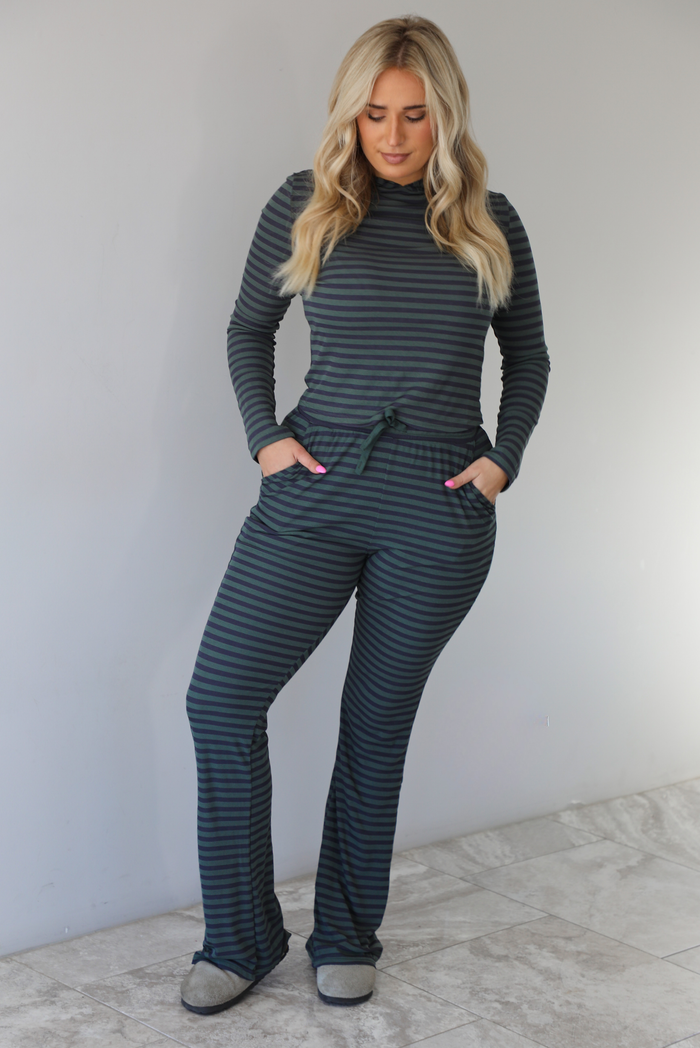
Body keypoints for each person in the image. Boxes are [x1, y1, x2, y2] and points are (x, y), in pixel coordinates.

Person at [181, 14, 549, 1014]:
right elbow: (248, 328)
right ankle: (242, 936)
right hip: (313, 492)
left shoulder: (489, 221)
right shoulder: (304, 206)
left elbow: (530, 359)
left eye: (415, 116)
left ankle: (347, 932)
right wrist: (265, 438)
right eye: (375, 113)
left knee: (373, 727)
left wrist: (498, 464)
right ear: (350, 113)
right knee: (217, 702)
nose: (392, 136)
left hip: (435, 512)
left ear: (446, 116)